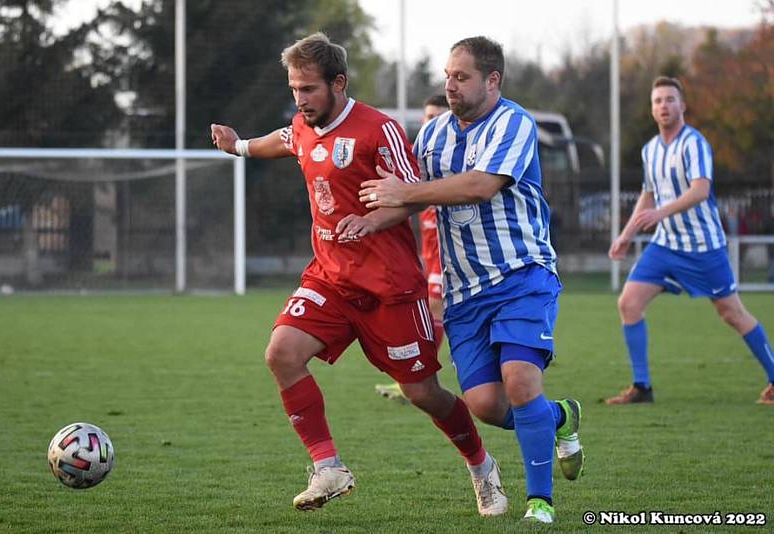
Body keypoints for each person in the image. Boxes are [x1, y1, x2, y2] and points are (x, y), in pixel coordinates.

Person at [210, 33, 508, 516]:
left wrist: (371, 220)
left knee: (422, 393)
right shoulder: (302, 127)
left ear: (339, 83)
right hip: (330, 278)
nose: (300, 99)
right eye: (294, 89)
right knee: (282, 353)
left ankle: (481, 466)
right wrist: (239, 146)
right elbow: (282, 141)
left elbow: (412, 194)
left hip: (389, 287)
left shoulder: (378, 130)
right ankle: (328, 466)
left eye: (309, 89)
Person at [353, 36, 584, 524]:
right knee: (484, 404)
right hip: (464, 292)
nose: (450, 85)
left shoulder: (514, 123)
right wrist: (370, 221)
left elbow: (481, 185)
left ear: (492, 80)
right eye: (447, 76)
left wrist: (407, 190)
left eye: (462, 77)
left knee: (521, 383)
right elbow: (413, 197)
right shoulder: (433, 135)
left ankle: (539, 503)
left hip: (522, 275)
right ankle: (560, 416)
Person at [605, 76, 774, 406]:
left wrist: (659, 214)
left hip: (703, 247)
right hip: (666, 246)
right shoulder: (650, 150)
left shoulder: (694, 143)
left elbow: (700, 191)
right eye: (658, 101)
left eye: (670, 99)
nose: (664, 106)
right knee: (629, 303)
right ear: (652, 109)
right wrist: (626, 235)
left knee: (732, 314)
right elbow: (648, 194)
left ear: (682, 106)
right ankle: (642, 387)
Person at [375, 94, 450, 404]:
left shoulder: (450, 159)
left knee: (436, 308)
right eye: (427, 116)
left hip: (450, 257)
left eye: (437, 117)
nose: (429, 122)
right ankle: (415, 376)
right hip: (430, 253)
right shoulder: (417, 155)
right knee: (434, 310)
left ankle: (416, 376)